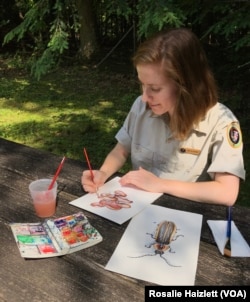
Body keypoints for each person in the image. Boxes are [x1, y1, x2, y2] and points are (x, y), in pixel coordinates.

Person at [81, 28, 245, 206]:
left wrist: (160, 184)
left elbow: (227, 192)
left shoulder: (221, 121)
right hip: (134, 209)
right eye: (142, 85)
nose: (144, 97)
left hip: (184, 218)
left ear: (186, 85)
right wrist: (103, 173)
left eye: (155, 88)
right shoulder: (141, 106)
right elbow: (121, 150)